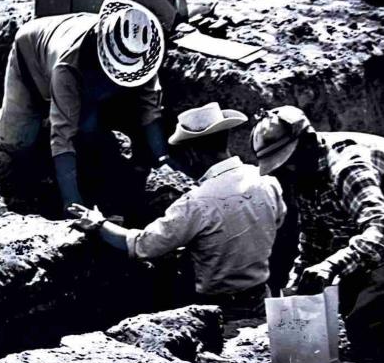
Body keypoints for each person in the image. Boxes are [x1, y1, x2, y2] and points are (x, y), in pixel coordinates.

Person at [251, 106, 384, 363]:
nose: (285, 171)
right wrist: (296, 288)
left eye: (287, 161)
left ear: (309, 142)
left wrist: (329, 265)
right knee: (348, 299)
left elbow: (381, 232)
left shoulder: (347, 167)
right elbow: (314, 237)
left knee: (366, 323)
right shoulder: (305, 173)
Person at [68, 102, 287, 318]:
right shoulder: (266, 180)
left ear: (192, 153)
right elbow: (274, 226)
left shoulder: (196, 203)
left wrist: (98, 223)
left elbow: (142, 246)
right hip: (261, 300)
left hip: (220, 311)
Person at [0, 0, 169, 218]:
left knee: (92, 134)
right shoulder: (68, 66)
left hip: (82, 81)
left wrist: (162, 159)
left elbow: (150, 110)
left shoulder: (138, 51)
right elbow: (62, 136)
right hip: (32, 57)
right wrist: (72, 202)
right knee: (16, 142)